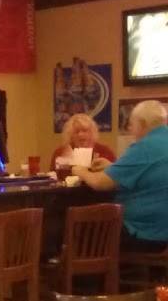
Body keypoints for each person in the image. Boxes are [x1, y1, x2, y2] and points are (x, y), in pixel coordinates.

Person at [72, 100, 168, 252]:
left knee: (82, 229)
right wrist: (112, 167)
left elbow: (100, 183)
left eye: (131, 125)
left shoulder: (144, 147)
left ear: (142, 124)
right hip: (162, 230)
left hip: (145, 232)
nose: (130, 129)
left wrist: (79, 170)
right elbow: (149, 172)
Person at [51, 113, 116, 171]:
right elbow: (53, 176)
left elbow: (115, 174)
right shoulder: (60, 152)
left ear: (92, 133)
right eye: (76, 131)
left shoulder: (104, 151)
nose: (80, 134)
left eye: (84, 131)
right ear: (70, 135)